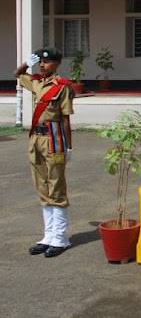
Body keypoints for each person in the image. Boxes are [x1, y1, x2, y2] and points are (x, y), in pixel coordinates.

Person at [13, 47, 75, 258]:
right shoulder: (37, 81)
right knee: (42, 186)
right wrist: (25, 64)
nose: (42, 65)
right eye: (40, 62)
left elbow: (66, 119)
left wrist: (68, 146)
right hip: (36, 139)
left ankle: (60, 238)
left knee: (56, 186)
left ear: (57, 64)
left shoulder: (63, 87)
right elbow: (18, 74)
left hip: (54, 139)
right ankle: (48, 235)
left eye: (47, 62)